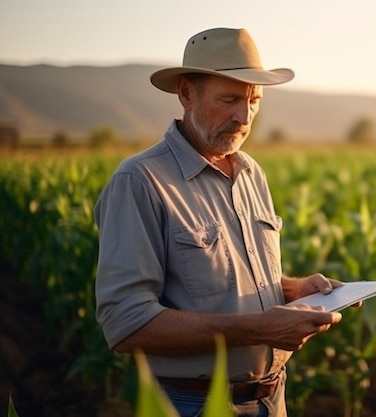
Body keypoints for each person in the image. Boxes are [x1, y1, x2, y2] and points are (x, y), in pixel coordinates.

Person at [94, 27, 344, 417]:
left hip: (271, 399)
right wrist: (261, 328)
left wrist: (293, 290)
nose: (244, 117)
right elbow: (126, 321)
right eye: (228, 99)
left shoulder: (250, 173)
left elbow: (219, 280)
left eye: (254, 100)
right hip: (192, 404)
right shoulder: (140, 181)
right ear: (186, 93)